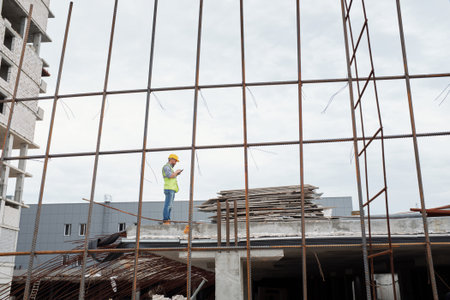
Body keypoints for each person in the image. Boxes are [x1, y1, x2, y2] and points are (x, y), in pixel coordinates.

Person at [162, 154, 183, 224]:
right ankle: (166, 220)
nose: (175, 163)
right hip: (169, 189)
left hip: (172, 189)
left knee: (170, 206)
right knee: (168, 205)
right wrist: (176, 172)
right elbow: (170, 176)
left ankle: (168, 219)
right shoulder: (166, 167)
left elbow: (172, 176)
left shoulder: (169, 168)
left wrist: (176, 174)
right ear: (171, 160)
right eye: (175, 161)